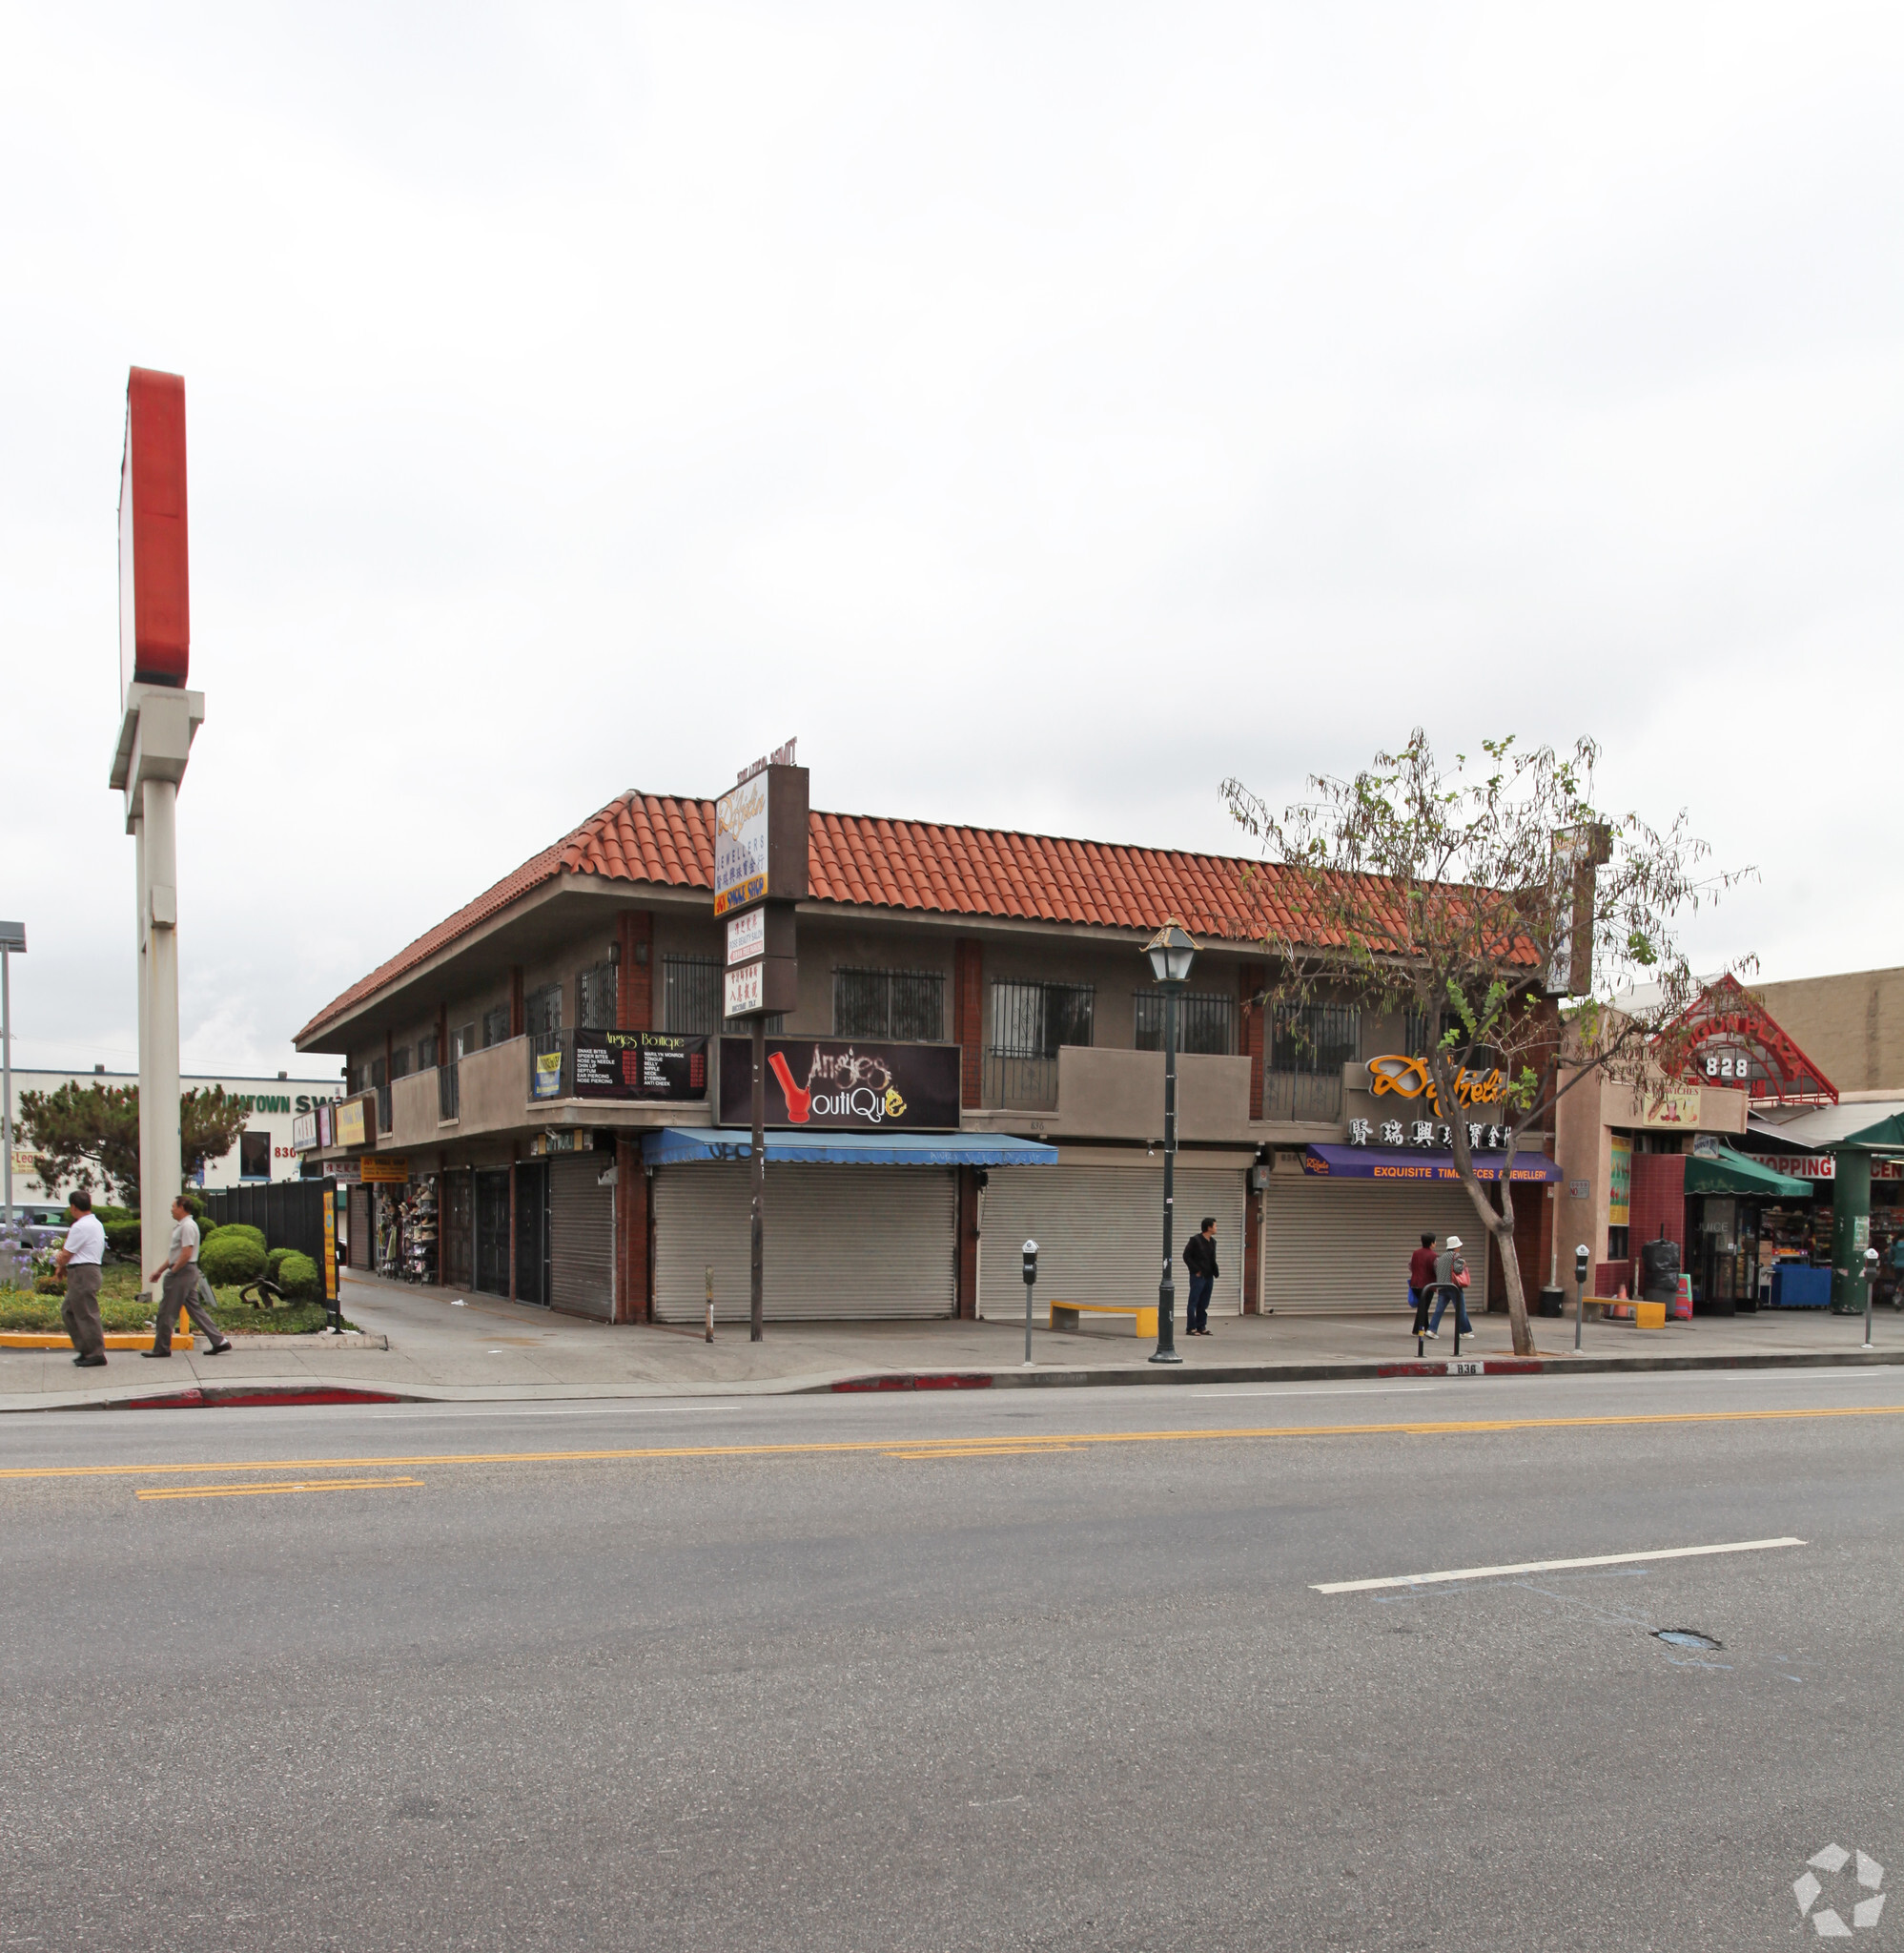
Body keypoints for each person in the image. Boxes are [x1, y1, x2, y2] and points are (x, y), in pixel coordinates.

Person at [145, 1195, 232, 1359]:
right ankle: (219, 1341)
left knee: (166, 1310)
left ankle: (161, 1348)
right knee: (194, 1308)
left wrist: (174, 1271)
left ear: (182, 1207)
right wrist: (161, 1270)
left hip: (183, 1271)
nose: (171, 1209)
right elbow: (175, 1254)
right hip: (185, 1270)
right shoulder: (183, 1226)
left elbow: (186, 1253)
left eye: (173, 1206)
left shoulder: (188, 1227)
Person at [51, 1188, 108, 1367]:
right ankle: (85, 1349)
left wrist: (58, 1263)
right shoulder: (96, 1223)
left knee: (86, 1314)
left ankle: (95, 1353)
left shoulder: (80, 1226)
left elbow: (65, 1254)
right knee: (68, 1310)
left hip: (83, 1273)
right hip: (84, 1271)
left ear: (74, 1207)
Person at [1426, 1234, 1473, 1340]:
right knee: (1461, 1308)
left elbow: (1436, 1270)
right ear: (1456, 1247)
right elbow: (1457, 1270)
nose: (1460, 1248)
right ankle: (1465, 1331)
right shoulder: (1456, 1256)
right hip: (1453, 1286)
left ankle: (1431, 1330)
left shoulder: (1440, 1258)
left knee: (1439, 1309)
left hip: (1441, 1286)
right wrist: (1463, 1264)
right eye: (1459, 1246)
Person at [1183, 1218, 1218, 1336]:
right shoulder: (1195, 1240)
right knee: (1193, 1301)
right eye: (1215, 1226)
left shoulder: (1213, 1242)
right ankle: (1191, 1327)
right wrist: (1196, 1270)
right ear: (1208, 1227)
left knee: (1204, 1303)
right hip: (1198, 1276)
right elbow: (1186, 1256)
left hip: (1209, 1276)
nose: (1216, 1228)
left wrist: (1215, 1271)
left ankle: (1201, 1326)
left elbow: (1212, 1259)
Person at [1407, 1231, 1438, 1336]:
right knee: (1423, 1307)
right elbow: (1436, 1269)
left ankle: (1425, 1328)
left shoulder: (1415, 1253)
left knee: (1422, 1306)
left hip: (1414, 1283)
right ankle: (1418, 1329)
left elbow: (1410, 1265)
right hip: (1427, 1285)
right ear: (1432, 1243)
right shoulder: (1434, 1256)